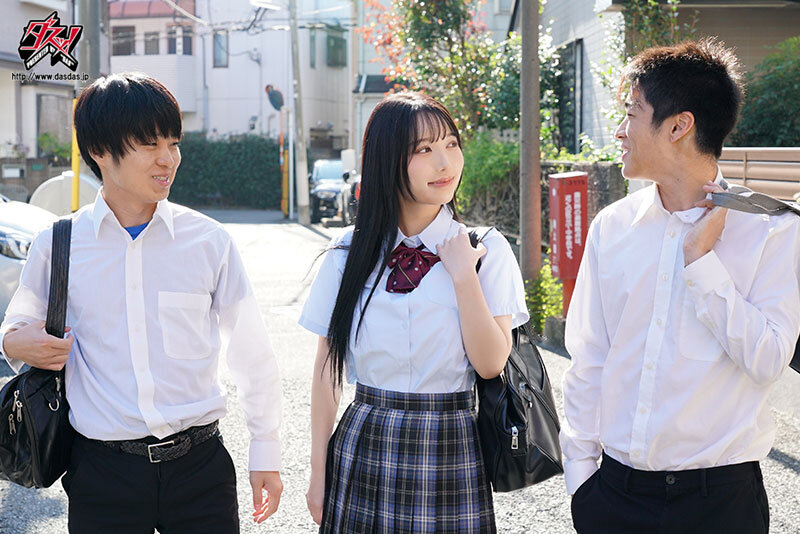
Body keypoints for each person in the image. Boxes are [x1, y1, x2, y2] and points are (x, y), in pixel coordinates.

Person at [0, 72, 283, 533]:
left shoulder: (208, 241)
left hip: (200, 469)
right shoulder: (58, 243)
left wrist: (265, 450)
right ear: (100, 151)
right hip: (101, 473)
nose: (168, 158)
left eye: (173, 143)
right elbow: (14, 330)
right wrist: (16, 344)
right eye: (150, 144)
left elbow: (252, 355)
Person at [561, 39, 800, 534]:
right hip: (616, 497)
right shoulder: (613, 227)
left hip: (722, 503)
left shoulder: (772, 231)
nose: (619, 130)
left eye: (632, 112)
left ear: (678, 126)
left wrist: (701, 264)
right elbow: (589, 358)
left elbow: (769, 360)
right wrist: (581, 481)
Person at [299, 92, 529, 533]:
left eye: (451, 145)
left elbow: (491, 363)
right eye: (424, 150)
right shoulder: (347, 252)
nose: (445, 163)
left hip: (450, 443)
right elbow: (327, 371)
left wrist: (463, 276)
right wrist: (317, 471)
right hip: (365, 439)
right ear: (387, 160)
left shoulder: (486, 249)